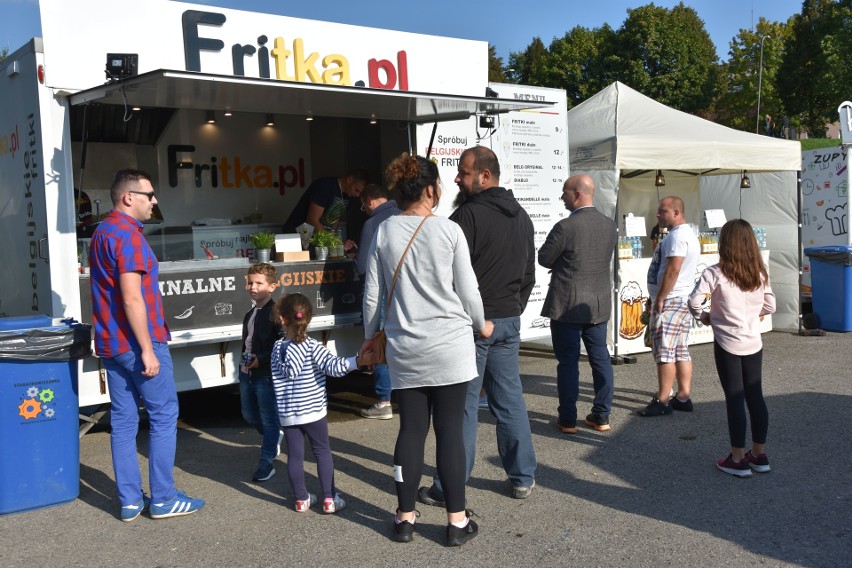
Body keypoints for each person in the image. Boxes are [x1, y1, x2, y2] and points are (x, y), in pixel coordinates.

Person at [360, 152, 491, 546]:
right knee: (450, 432)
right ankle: (455, 521)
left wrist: (371, 336)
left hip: (405, 348)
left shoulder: (384, 232)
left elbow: (372, 295)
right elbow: (468, 291)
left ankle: (404, 518)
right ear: (431, 190)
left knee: (410, 431)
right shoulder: (449, 232)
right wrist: (481, 323)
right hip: (450, 347)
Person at [419, 145, 537, 506]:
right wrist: (513, 309)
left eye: (464, 172)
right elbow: (529, 274)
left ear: (485, 176)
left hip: (471, 325)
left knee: (463, 407)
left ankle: (448, 485)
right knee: (509, 400)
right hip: (507, 321)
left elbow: (444, 279)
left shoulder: (465, 219)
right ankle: (522, 477)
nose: (457, 177)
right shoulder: (522, 217)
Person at [89, 169, 205, 521]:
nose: (155, 201)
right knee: (163, 416)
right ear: (128, 197)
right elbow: (131, 298)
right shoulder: (128, 236)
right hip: (138, 342)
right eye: (149, 194)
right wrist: (147, 349)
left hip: (110, 343)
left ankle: (128, 501)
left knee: (124, 422)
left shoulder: (102, 232)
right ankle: (164, 499)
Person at [687, 219, 776, 477]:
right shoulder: (759, 272)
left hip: (727, 342)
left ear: (724, 243)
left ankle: (737, 457)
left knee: (734, 397)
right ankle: (759, 454)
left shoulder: (714, 273)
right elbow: (770, 306)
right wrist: (752, 315)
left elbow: (694, 302)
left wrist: (706, 316)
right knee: (755, 396)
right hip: (752, 340)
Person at [271, 293, 373, 513]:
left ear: (281, 319)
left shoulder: (276, 349)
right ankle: (329, 498)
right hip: (314, 411)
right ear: (308, 319)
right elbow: (334, 367)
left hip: (289, 414)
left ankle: (301, 499)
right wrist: (357, 362)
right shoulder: (312, 347)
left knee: (295, 456)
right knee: (322, 452)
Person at [538, 174, 617, 433]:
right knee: (600, 359)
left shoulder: (565, 227)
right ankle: (602, 415)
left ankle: (568, 419)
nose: (562, 197)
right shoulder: (609, 225)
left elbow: (545, 258)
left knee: (569, 362)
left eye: (564, 192)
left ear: (577, 194)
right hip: (597, 303)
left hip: (567, 304)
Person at [638, 196, 700, 417]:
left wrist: (661, 297)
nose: (658, 214)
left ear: (676, 213)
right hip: (679, 298)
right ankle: (683, 397)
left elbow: (673, 270)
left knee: (665, 352)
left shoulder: (677, 237)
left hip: (672, 300)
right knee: (680, 350)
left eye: (662, 211)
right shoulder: (684, 234)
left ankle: (663, 400)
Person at [350, 183, 402, 420]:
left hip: (382, 297)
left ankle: (383, 402)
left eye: (363, 206)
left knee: (381, 346)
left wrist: (352, 254)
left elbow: (363, 268)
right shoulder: (405, 215)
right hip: (406, 295)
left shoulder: (373, 224)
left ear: (369, 201)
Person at [239, 263, 283, 482]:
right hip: (246, 372)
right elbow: (247, 342)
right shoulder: (250, 313)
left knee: (268, 417)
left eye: (259, 283)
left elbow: (281, 343)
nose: (252, 287)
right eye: (250, 282)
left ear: (272, 286)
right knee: (248, 414)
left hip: (265, 374)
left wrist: (261, 360)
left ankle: (267, 460)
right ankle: (273, 435)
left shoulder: (275, 313)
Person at [282, 168, 369, 235]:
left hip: (316, 238)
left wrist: (332, 240)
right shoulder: (325, 187)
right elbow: (312, 220)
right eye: (356, 190)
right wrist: (330, 241)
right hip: (296, 234)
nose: (357, 195)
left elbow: (336, 219)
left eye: (360, 193)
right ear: (350, 180)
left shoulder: (348, 196)